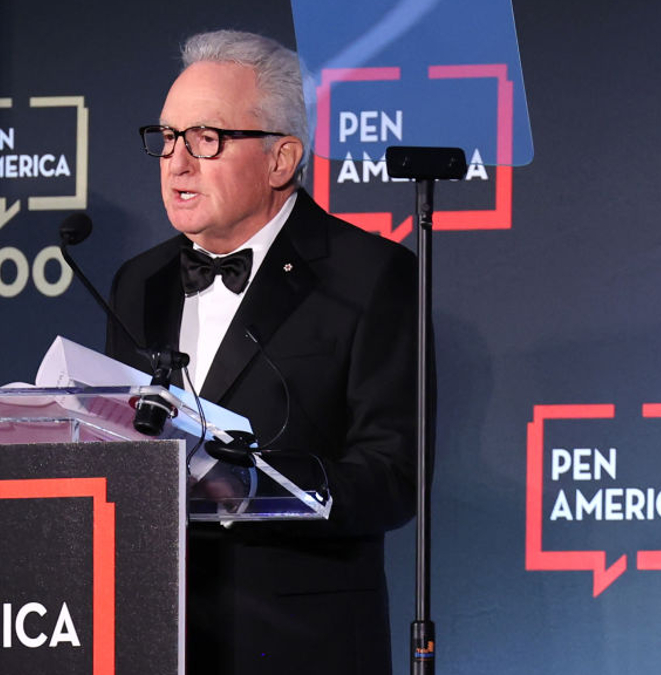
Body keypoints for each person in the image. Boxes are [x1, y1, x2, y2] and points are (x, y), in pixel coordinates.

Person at [106, 30, 421, 674]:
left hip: (301, 644)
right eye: (167, 139)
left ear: (281, 160)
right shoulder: (137, 282)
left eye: (206, 140)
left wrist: (247, 481)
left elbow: (393, 478)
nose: (177, 162)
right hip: (156, 640)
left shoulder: (371, 277)